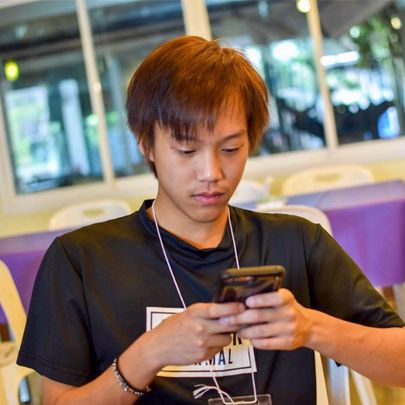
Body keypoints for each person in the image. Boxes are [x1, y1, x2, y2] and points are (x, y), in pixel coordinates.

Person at [17, 35, 405, 405]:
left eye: (231, 148)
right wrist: (149, 354)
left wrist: (313, 328)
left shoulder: (298, 243)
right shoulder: (81, 261)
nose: (211, 173)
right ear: (145, 143)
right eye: (187, 150)